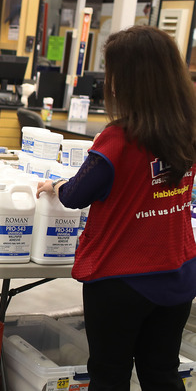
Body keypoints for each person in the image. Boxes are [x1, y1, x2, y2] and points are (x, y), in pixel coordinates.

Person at [37, 25, 196, 390]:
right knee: (162, 373)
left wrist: (56, 184)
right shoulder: (187, 131)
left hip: (122, 279)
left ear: (125, 80)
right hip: (178, 273)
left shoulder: (118, 139)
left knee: (110, 374)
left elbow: (76, 195)